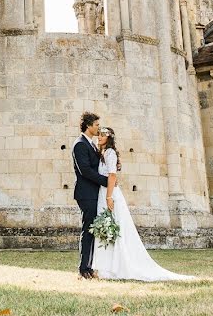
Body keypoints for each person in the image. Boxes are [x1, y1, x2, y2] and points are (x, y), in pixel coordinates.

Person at [92, 127, 196, 281]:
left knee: (114, 227)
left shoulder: (110, 153)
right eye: (98, 134)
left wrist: (108, 197)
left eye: (102, 135)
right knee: (107, 227)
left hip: (110, 193)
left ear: (109, 138)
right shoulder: (103, 154)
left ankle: (117, 267)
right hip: (104, 193)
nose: (99, 137)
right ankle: (106, 267)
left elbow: (112, 175)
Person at [71, 111, 109, 279]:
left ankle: (90, 266)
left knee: (92, 230)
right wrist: (106, 181)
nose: (98, 128)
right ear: (88, 125)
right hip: (86, 194)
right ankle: (83, 268)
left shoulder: (91, 144)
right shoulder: (80, 144)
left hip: (93, 193)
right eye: (96, 125)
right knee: (88, 230)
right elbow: (85, 171)